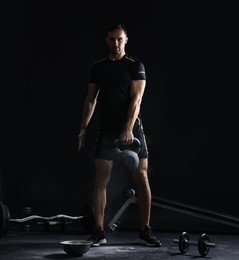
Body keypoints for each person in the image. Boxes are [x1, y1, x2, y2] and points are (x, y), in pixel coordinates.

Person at [78, 22, 161, 247]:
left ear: (126, 40)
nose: (116, 43)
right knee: (100, 181)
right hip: (106, 129)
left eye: (120, 39)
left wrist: (127, 129)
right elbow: (90, 99)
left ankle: (145, 231)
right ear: (107, 41)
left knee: (141, 178)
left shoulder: (135, 66)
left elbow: (136, 101)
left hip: (132, 128)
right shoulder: (98, 67)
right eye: (112, 39)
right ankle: (99, 232)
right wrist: (83, 128)